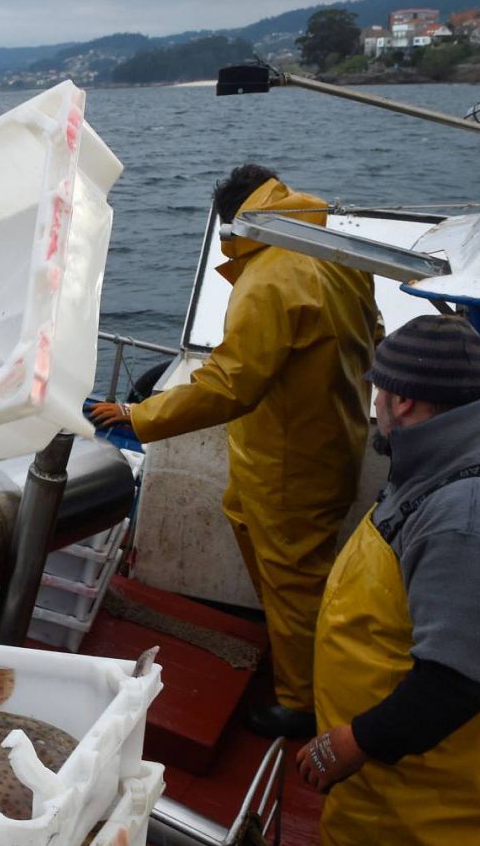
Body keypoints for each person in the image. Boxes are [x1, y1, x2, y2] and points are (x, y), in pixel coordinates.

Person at [89, 164, 379, 738]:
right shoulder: (335, 252)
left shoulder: (272, 277)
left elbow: (229, 384)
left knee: (294, 578)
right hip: (322, 439)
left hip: (290, 461)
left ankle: (302, 703)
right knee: (252, 529)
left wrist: (136, 414)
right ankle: (294, 652)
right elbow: (374, 330)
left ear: (238, 221)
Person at [295, 314, 480, 846]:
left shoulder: (472, 517)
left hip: (417, 799)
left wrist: (351, 741)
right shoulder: (439, 463)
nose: (376, 403)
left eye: (379, 390)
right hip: (389, 776)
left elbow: (454, 681)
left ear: (404, 402)